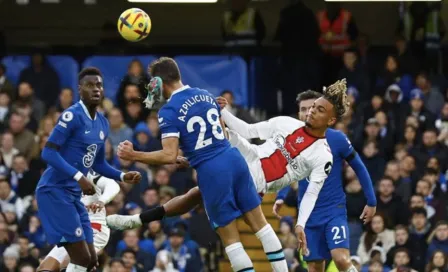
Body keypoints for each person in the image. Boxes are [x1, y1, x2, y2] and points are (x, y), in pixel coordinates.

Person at [108, 75, 351, 267]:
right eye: (311, 107)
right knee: (199, 186)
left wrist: (301, 223)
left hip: (257, 180)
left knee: (204, 200)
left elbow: (311, 193)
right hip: (244, 157)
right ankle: (136, 219)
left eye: (318, 110)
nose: (310, 112)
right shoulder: (287, 123)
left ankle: (136, 219)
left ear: (330, 121)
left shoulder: (324, 156)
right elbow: (247, 131)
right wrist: (221, 112)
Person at [113, 57, 288, 272]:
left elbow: (168, 155)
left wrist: (134, 154)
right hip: (233, 159)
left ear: (160, 82)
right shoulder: (205, 94)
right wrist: (195, 154)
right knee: (262, 226)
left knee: (231, 240)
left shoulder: (168, 110)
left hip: (212, 171)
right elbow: (222, 132)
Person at [35, 67, 142, 272]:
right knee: (81, 259)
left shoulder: (103, 123)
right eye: (90, 85)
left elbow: (99, 163)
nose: (96, 89)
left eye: (99, 85)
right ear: (80, 89)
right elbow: (48, 153)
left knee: (92, 261)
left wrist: (122, 175)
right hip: (55, 191)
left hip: (74, 198)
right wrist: (79, 178)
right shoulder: (71, 115)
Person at [274, 90, 377, 272]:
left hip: (333, 211)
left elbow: (359, 167)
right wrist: (281, 196)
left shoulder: (336, 138)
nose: (308, 112)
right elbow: (286, 171)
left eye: (312, 108)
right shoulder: (292, 141)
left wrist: (371, 201)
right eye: (303, 109)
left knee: (342, 260)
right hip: (308, 217)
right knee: (314, 268)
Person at [37, 171, 121, 272]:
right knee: (44, 268)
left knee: (70, 263)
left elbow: (113, 185)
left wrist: (102, 201)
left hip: (94, 227)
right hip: (71, 232)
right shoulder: (53, 182)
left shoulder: (87, 173)